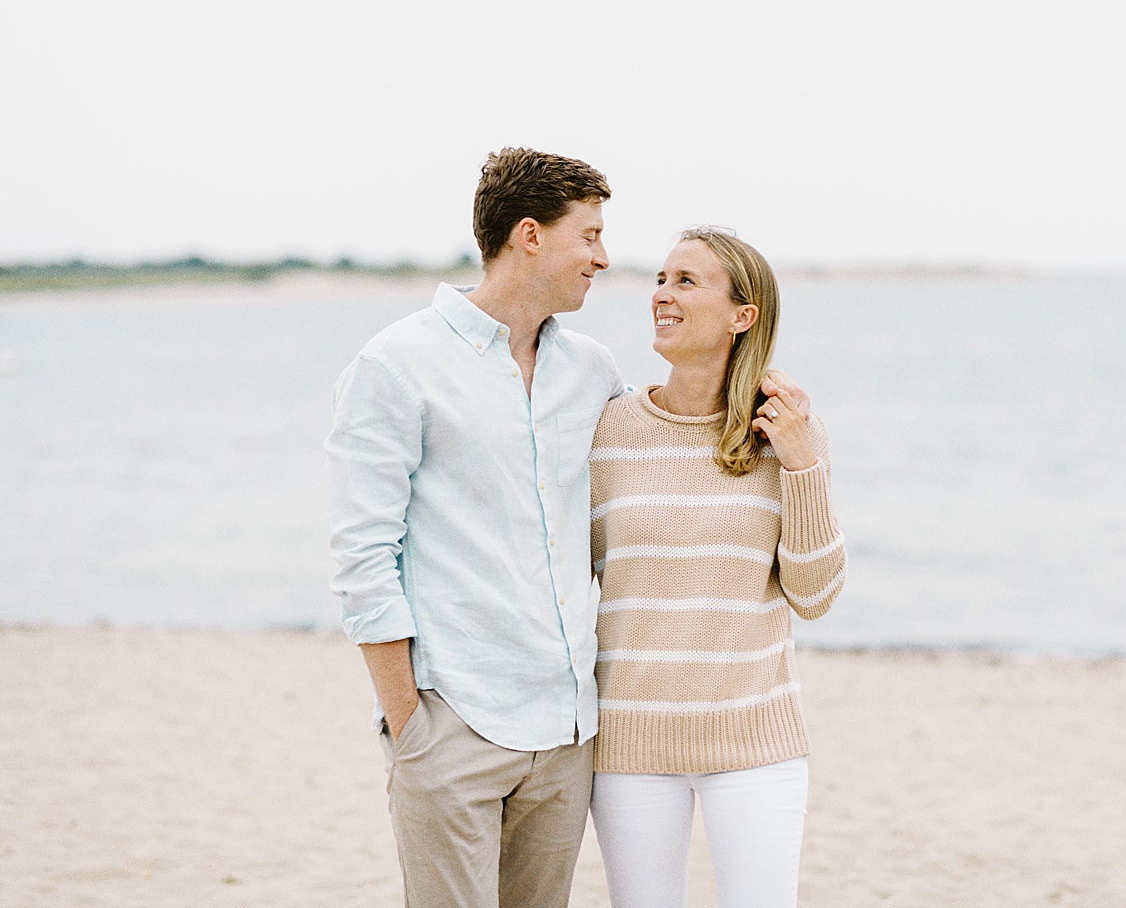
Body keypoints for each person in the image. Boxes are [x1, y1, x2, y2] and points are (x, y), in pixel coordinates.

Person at [327, 151, 806, 908]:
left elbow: (674, 448)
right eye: (589, 235)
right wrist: (410, 721)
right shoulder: (397, 364)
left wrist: (778, 425)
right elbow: (362, 557)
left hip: (567, 734)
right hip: (453, 719)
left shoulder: (590, 373)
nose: (604, 258)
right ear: (530, 236)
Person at [587, 227, 847, 908]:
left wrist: (800, 463)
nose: (662, 296)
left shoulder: (789, 433)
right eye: (662, 279)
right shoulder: (608, 430)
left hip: (755, 743)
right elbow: (570, 572)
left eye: (686, 282)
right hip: (630, 745)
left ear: (743, 316)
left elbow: (815, 596)